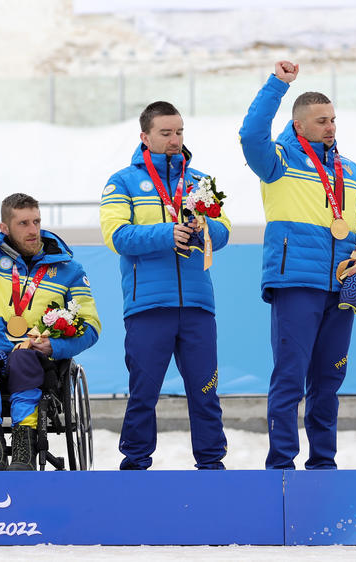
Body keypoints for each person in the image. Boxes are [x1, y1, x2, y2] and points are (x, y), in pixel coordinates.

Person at [239, 61, 356, 470]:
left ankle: (323, 463)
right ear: (300, 126)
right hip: (296, 282)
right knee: (289, 378)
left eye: (333, 120)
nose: (331, 127)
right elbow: (250, 133)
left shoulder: (348, 170)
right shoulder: (277, 161)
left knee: (330, 380)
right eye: (321, 121)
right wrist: (278, 84)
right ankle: (281, 463)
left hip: (343, 286)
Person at [0, 145, 100, 471]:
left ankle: (26, 448)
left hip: (36, 359)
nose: (33, 230)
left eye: (36, 221)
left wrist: (55, 345)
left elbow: (90, 325)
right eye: (24, 223)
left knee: (25, 357)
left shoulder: (69, 269)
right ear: (4, 228)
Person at [99, 101, 230, 470]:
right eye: (166, 133)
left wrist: (206, 229)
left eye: (180, 132)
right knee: (144, 392)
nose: (175, 139)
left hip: (197, 305)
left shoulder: (200, 181)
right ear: (145, 136)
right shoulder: (121, 181)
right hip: (148, 306)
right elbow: (116, 236)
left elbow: (224, 232)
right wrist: (166, 233)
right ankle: (136, 465)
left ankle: (211, 466)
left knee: (205, 392)